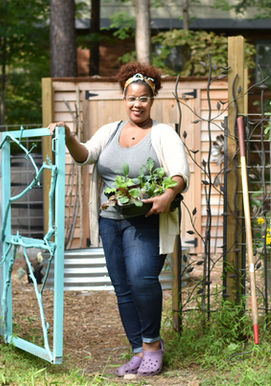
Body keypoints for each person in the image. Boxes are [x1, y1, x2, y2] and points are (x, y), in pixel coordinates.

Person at [48, 62, 190, 377]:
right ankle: (138, 350)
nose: (137, 104)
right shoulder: (109, 131)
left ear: (152, 100)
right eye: (131, 98)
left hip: (147, 217)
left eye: (143, 98)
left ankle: (153, 344)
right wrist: (69, 135)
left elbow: (180, 173)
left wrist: (167, 194)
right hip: (110, 219)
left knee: (142, 279)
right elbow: (84, 154)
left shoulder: (162, 133)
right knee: (122, 286)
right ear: (123, 99)